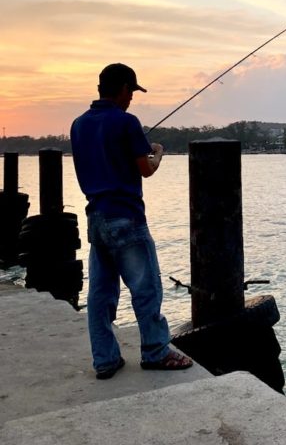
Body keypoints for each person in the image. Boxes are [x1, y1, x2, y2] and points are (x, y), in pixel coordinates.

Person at [71, 63, 193, 379]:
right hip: (126, 218)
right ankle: (155, 351)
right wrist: (158, 151)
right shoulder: (127, 122)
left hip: (96, 218)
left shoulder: (78, 125)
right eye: (132, 93)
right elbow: (146, 168)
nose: (132, 100)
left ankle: (105, 359)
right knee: (147, 287)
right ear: (124, 89)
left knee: (100, 293)